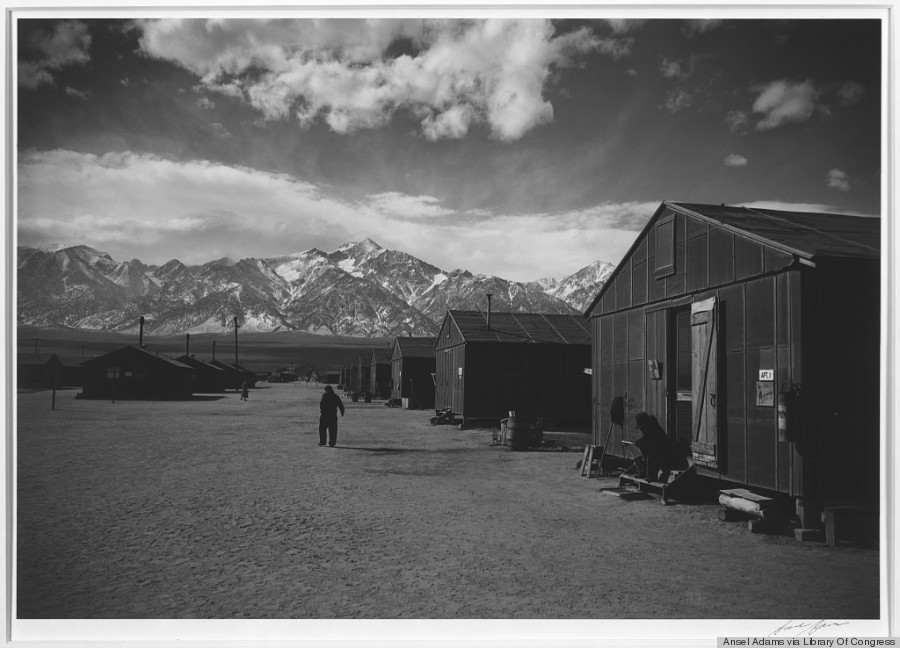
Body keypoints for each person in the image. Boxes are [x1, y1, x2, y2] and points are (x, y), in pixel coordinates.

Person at [633, 412, 670, 482]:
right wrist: (639, 442)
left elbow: (656, 444)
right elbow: (646, 439)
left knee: (651, 453)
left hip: (664, 456)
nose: (641, 429)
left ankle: (652, 475)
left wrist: (644, 444)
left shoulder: (656, 431)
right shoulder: (647, 429)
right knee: (639, 455)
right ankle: (643, 472)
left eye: (642, 427)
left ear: (646, 424)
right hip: (654, 455)